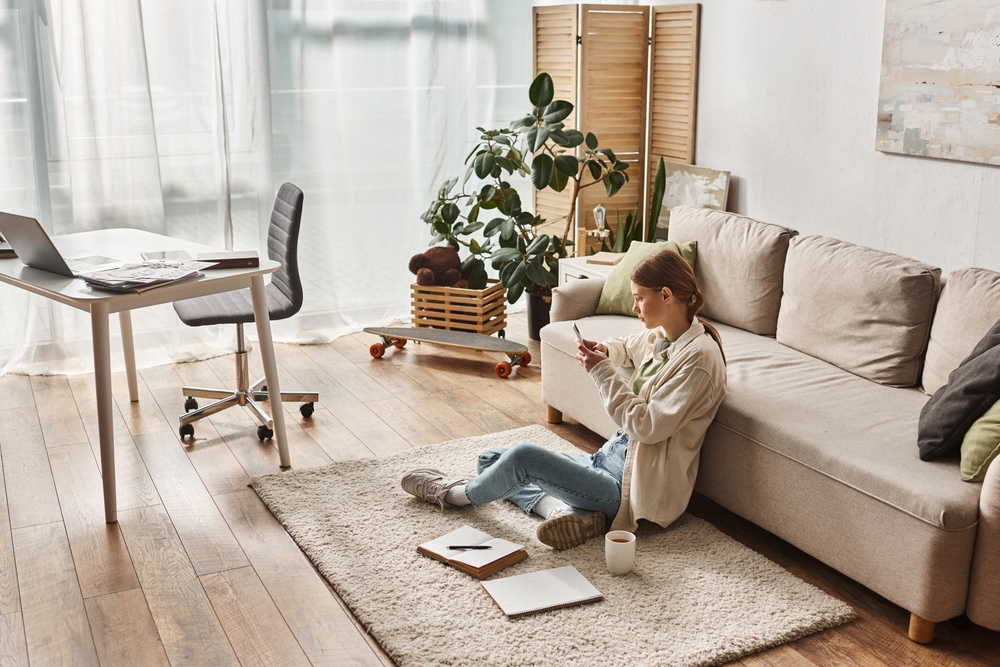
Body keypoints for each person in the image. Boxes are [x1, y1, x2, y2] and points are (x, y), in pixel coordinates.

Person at [400, 249, 727, 549]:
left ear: (666, 295)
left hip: (629, 490)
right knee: (490, 460)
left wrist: (601, 372)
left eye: (640, 299)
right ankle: (567, 511)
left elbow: (647, 426)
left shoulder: (698, 360)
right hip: (604, 462)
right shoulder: (666, 335)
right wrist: (606, 351)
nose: (634, 308)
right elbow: (628, 346)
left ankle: (454, 495)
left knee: (522, 458)